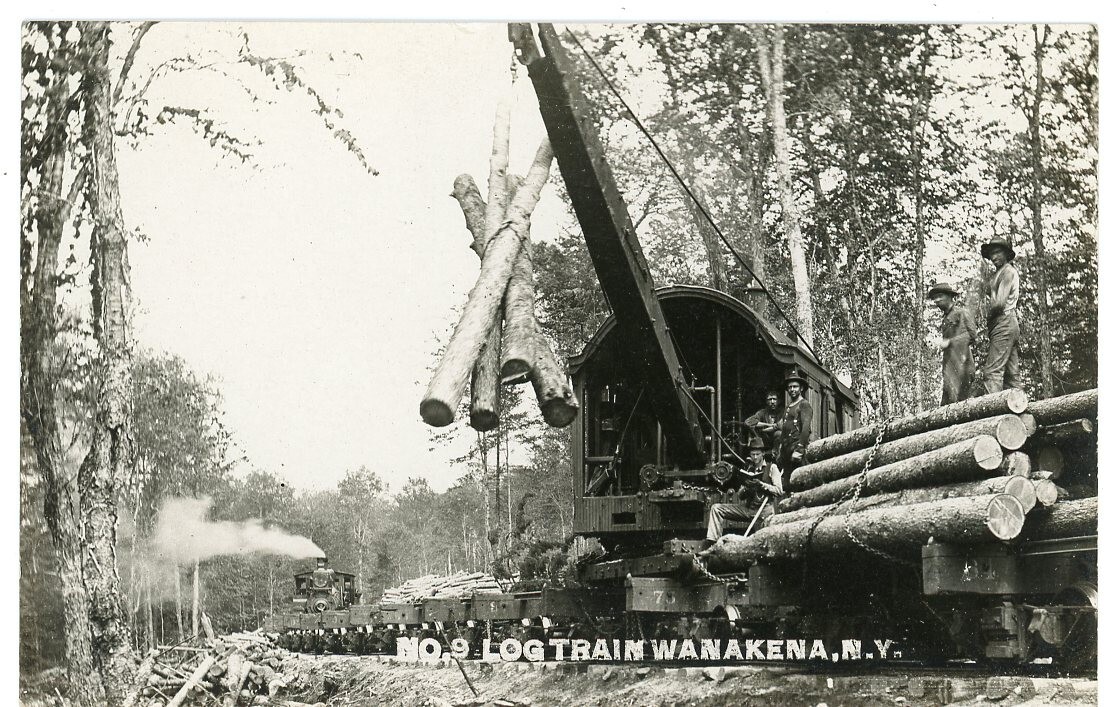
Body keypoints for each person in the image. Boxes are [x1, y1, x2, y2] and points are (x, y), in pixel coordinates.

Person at [704, 437, 783, 544]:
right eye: (752, 454)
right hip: (748, 509)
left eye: (757, 454)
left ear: (763, 453)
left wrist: (761, 485)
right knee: (716, 508)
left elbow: (779, 491)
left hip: (764, 512)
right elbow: (741, 496)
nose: (755, 457)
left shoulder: (772, 468)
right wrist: (746, 489)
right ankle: (713, 542)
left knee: (762, 542)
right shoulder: (748, 470)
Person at [980, 236, 1022, 393]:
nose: (994, 257)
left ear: (1006, 254)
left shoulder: (1007, 272)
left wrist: (987, 315)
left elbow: (999, 303)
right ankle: (1021, 414)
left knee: (992, 372)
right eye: (991, 254)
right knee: (1012, 376)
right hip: (1005, 324)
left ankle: (992, 414)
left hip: (1004, 322)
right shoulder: (998, 274)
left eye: (998, 252)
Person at [927, 282, 976, 405]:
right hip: (950, 368)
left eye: (940, 296)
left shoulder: (961, 313)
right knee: (946, 407)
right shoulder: (945, 319)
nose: (936, 300)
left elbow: (971, 335)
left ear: (949, 296)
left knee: (961, 407)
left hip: (963, 366)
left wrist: (949, 342)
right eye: (934, 298)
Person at [776, 368, 813, 491]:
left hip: (796, 449)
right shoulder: (788, 407)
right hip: (786, 450)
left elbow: (806, 429)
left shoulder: (804, 404)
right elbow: (785, 429)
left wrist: (800, 449)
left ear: (801, 388)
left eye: (795, 387)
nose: (792, 389)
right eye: (790, 387)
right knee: (787, 484)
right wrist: (781, 448)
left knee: (801, 482)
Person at [743, 390, 782, 454]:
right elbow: (748, 422)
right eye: (770, 399)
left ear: (779, 401)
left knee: (778, 433)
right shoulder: (762, 412)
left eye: (774, 399)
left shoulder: (783, 412)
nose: (772, 402)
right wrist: (769, 425)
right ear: (766, 401)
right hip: (764, 442)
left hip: (779, 444)